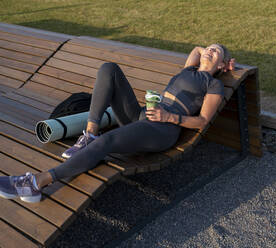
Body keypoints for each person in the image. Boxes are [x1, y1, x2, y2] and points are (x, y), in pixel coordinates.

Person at [0, 44, 235, 203]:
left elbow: (203, 121)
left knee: (108, 140)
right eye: (210, 47)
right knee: (109, 69)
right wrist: (211, 51)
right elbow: (196, 49)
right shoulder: (190, 69)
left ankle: (35, 183)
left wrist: (170, 117)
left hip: (163, 128)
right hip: (144, 115)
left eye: (217, 52)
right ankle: (89, 134)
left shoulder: (213, 84)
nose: (210, 51)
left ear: (223, 65)